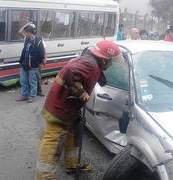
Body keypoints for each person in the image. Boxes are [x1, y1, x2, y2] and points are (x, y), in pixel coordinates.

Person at [35, 40, 120, 179]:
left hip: (68, 108)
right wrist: (81, 93)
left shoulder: (90, 61)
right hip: (60, 109)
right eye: (111, 61)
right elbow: (71, 72)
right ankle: (44, 176)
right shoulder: (90, 64)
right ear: (105, 59)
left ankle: (72, 164)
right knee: (53, 142)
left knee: (74, 135)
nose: (111, 64)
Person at [15, 22, 46, 103]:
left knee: (32, 81)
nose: (25, 34)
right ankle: (24, 95)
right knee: (23, 80)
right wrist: (27, 24)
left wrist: (42, 61)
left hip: (33, 65)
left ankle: (32, 96)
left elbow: (42, 52)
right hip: (24, 63)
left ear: (29, 33)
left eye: (26, 33)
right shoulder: (26, 39)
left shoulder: (39, 40)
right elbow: (20, 31)